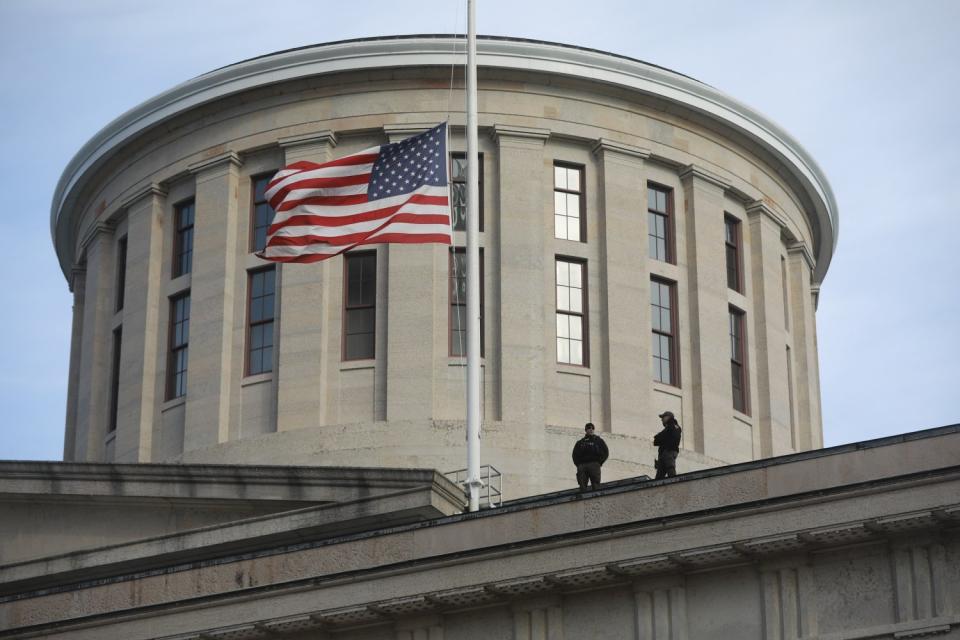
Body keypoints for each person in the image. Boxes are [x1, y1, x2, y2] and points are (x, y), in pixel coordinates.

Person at [572, 422, 609, 492]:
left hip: (594, 464)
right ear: (586, 430)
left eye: (592, 428)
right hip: (582, 465)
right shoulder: (580, 442)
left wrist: (599, 462)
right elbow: (575, 455)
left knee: (596, 485)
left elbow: (605, 452)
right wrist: (579, 465)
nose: (591, 429)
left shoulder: (598, 441)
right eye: (589, 428)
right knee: (582, 486)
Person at [653, 411, 682, 479]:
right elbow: (657, 440)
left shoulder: (673, 426)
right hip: (665, 453)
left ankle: (673, 484)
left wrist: (669, 448)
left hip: (669, 451)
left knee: (670, 469)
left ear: (668, 417)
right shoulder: (669, 427)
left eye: (663, 417)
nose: (661, 419)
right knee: (659, 476)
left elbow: (673, 437)